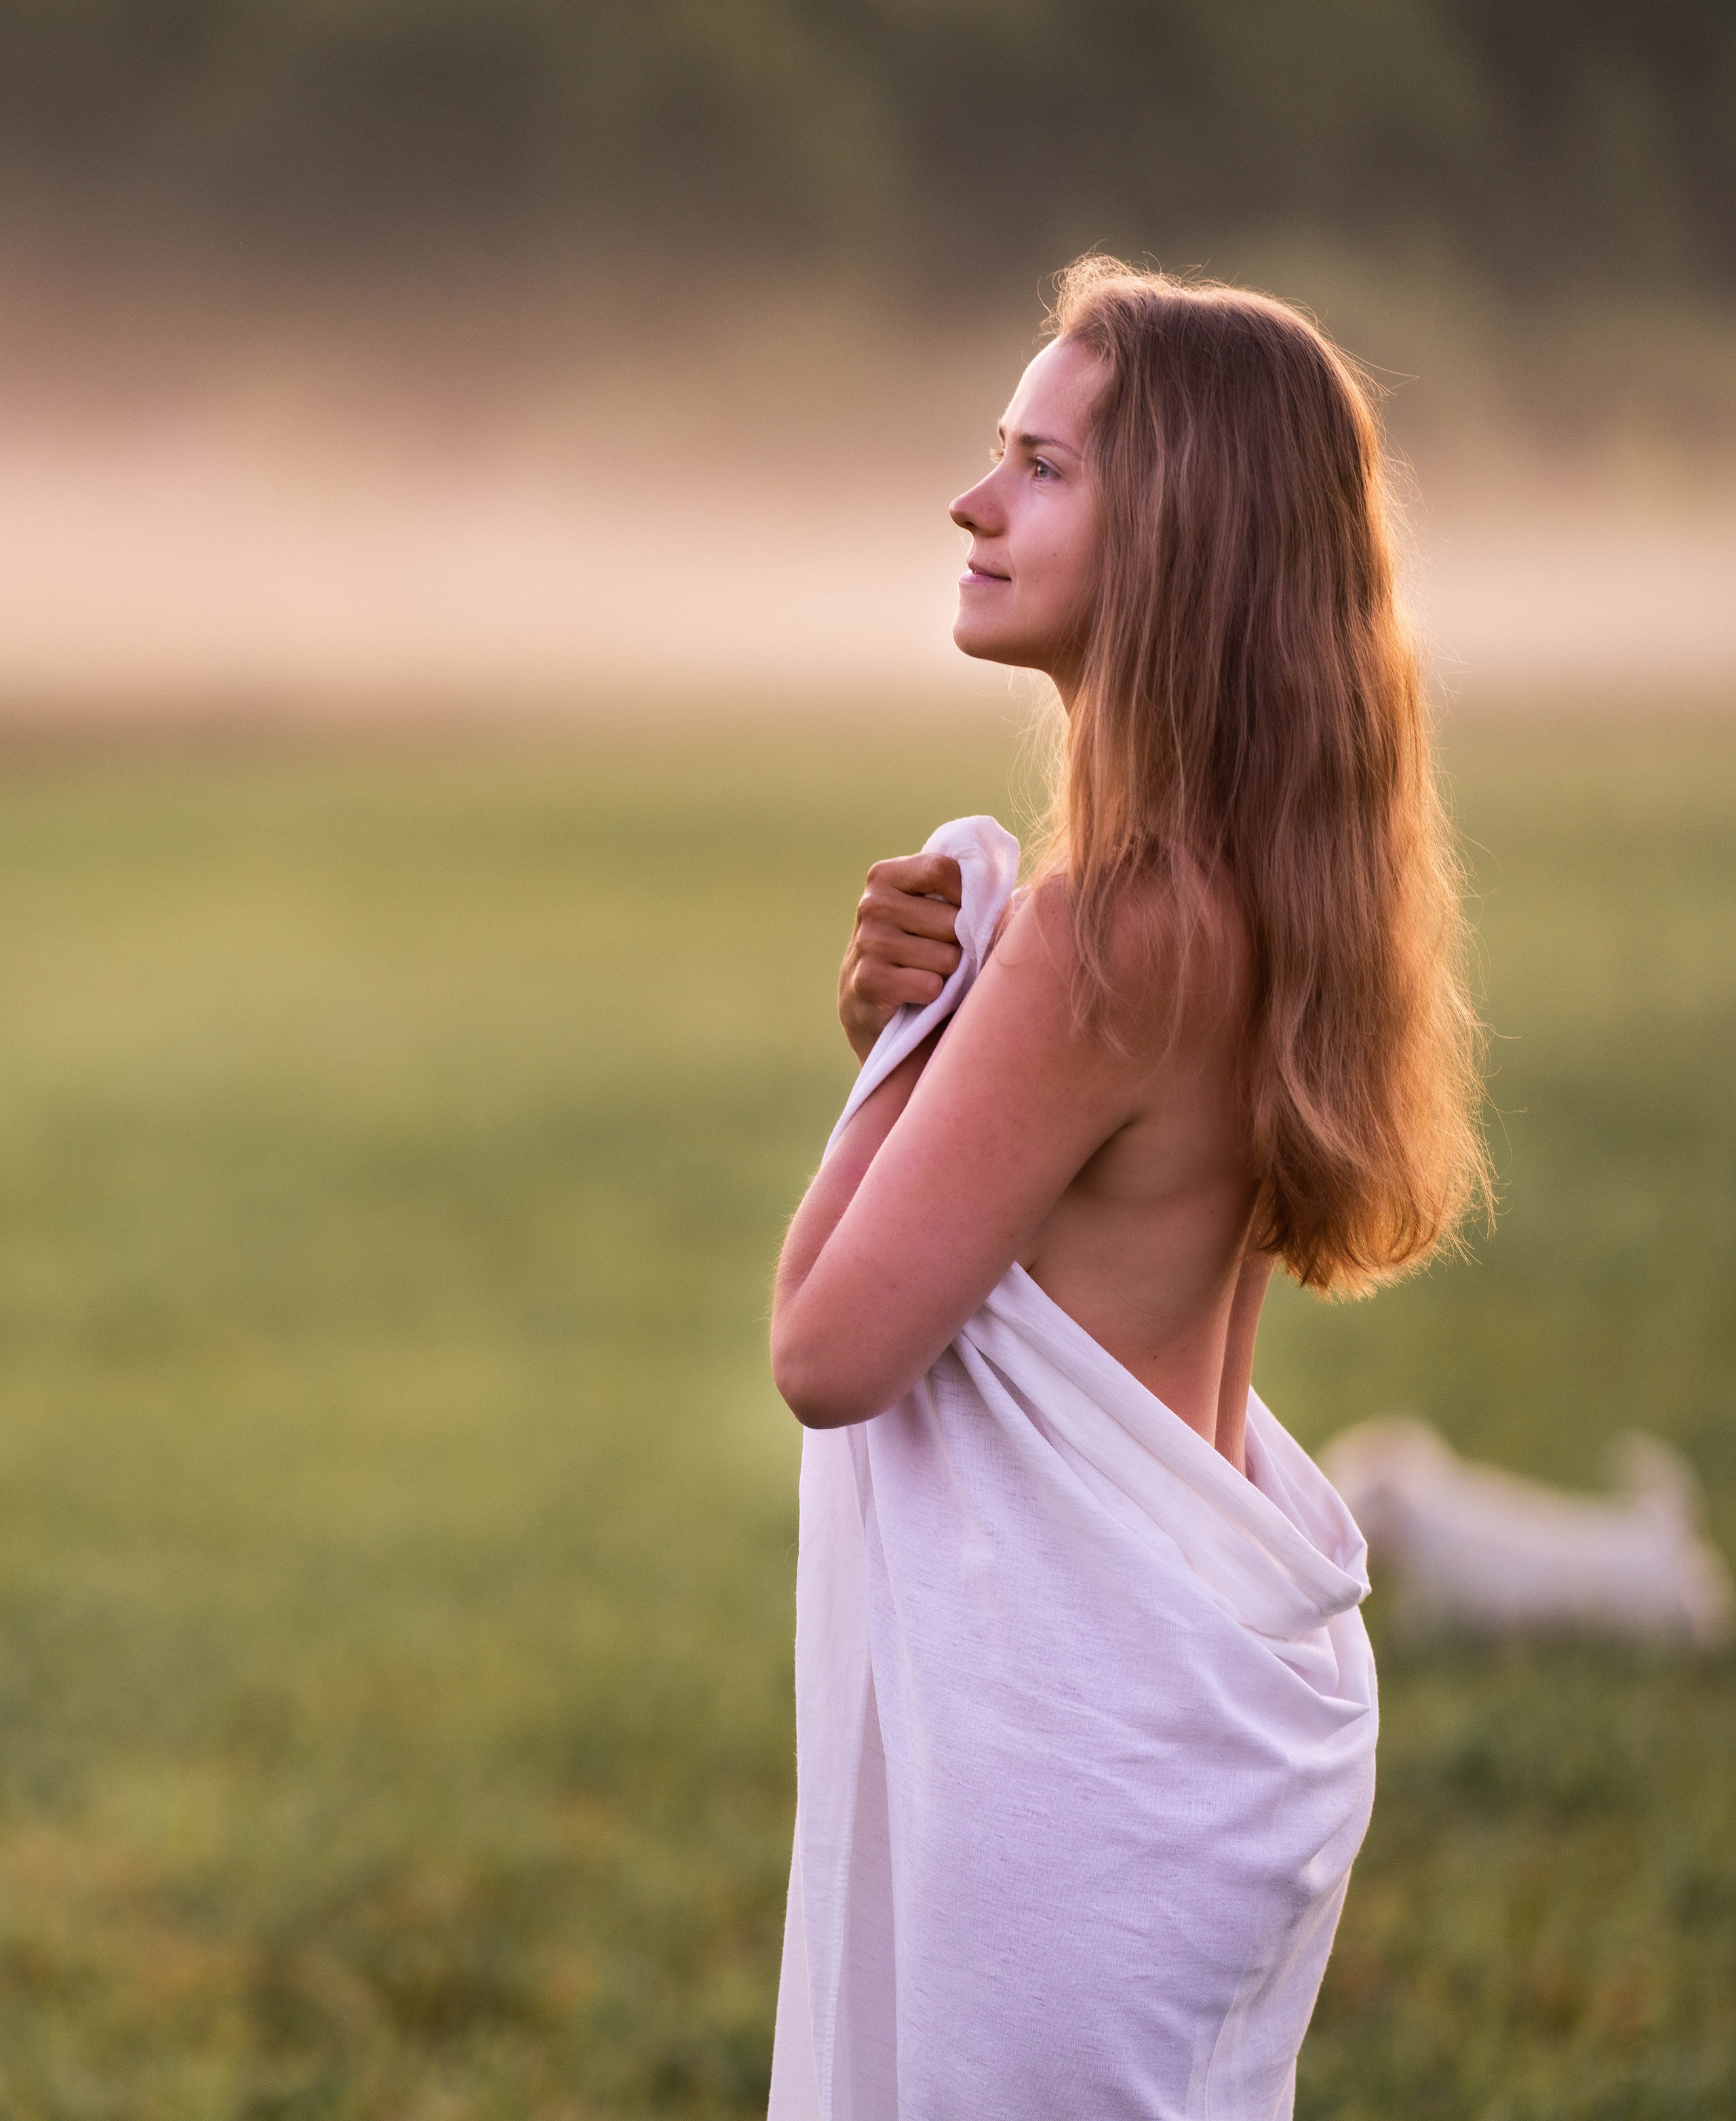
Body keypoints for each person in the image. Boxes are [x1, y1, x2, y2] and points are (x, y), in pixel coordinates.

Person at [766, 257, 1490, 2120]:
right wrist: (926, 1026)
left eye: (1040, 466)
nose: (974, 502)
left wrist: (901, 1058)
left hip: (1070, 1754)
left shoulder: (1104, 933)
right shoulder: (1267, 901)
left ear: (1178, 537)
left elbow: (830, 1346)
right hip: (1207, 1730)